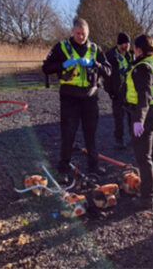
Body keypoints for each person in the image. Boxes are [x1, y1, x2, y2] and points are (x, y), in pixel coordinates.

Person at [42, 18, 111, 181]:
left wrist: (94, 64)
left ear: (88, 33)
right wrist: (63, 65)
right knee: (68, 134)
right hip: (69, 98)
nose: (81, 37)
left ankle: (93, 166)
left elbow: (108, 70)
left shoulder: (95, 49)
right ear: (72, 32)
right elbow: (46, 68)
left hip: (90, 96)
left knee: (91, 134)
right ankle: (63, 169)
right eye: (78, 33)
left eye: (84, 34)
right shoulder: (61, 47)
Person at [126, 34, 153, 209]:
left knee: (144, 159)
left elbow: (144, 97)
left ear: (138, 49)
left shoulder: (142, 67)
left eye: (134, 49)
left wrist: (139, 120)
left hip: (147, 115)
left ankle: (146, 199)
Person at [105, 32, 134, 149]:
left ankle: (135, 138)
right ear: (118, 43)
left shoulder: (132, 54)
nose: (126, 46)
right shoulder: (110, 56)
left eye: (128, 43)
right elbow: (106, 76)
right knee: (119, 119)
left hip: (131, 92)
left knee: (134, 118)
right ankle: (119, 139)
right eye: (124, 43)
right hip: (117, 92)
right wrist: (110, 91)